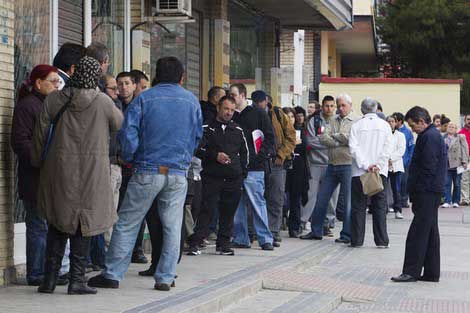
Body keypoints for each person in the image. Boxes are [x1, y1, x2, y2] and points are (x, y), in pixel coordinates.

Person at [88, 56, 202, 291]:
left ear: (156, 75)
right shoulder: (191, 102)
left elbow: (128, 134)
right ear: (182, 77)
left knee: (128, 221)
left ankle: (112, 274)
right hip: (178, 172)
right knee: (172, 225)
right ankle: (165, 277)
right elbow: (196, 136)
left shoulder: (145, 99)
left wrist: (130, 157)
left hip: (147, 169)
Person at [31, 57, 123, 295]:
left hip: (58, 168)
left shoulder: (55, 98)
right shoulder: (103, 101)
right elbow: (118, 123)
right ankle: (77, 281)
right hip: (92, 172)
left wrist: (37, 160)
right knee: (84, 223)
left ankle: (49, 280)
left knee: (57, 219)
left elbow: (40, 132)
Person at [11, 65, 61, 286]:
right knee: (37, 226)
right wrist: (41, 160)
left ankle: (47, 271)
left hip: (49, 176)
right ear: (39, 83)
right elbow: (20, 142)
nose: (57, 85)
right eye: (53, 81)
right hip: (34, 176)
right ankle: (36, 273)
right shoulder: (27, 106)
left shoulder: (50, 105)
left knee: (48, 226)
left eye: (58, 82)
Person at [187, 95, 248, 256]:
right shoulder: (207, 127)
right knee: (207, 210)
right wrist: (215, 155)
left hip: (233, 179)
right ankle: (196, 242)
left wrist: (242, 173)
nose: (229, 113)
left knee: (228, 213)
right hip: (211, 177)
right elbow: (197, 148)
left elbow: (245, 153)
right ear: (218, 108)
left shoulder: (238, 130)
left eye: (232, 110)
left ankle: (223, 244)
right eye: (226, 109)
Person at [392, 106, 447, 283]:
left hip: (427, 191)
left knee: (417, 233)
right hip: (431, 190)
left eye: (412, 125)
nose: (412, 129)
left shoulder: (429, 137)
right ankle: (431, 272)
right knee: (430, 232)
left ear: (422, 121)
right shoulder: (430, 135)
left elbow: (428, 168)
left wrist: (417, 192)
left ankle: (411, 271)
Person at [300, 94, 356, 244]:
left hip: (347, 164)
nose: (340, 108)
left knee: (348, 202)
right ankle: (316, 230)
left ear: (350, 105)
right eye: (339, 105)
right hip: (332, 164)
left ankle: (347, 234)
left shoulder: (355, 122)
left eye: (343, 105)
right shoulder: (331, 120)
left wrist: (335, 137)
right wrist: (339, 140)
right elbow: (323, 137)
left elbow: (350, 139)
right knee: (321, 198)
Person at [230, 83, 276, 251]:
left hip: (254, 168)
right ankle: (241, 238)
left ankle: (265, 238)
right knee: (237, 204)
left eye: (233, 94)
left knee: (257, 203)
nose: (231, 98)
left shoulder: (258, 113)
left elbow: (270, 138)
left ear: (243, 95)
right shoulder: (231, 115)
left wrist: (258, 158)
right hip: (236, 168)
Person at [252, 90, 296, 247]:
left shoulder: (277, 114)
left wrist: (281, 155)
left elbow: (291, 137)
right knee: (256, 198)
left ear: (266, 102)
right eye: (255, 104)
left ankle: (273, 231)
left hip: (277, 163)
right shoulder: (251, 114)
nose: (258, 106)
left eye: (260, 103)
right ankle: (255, 231)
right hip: (258, 163)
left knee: (276, 198)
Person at [349, 98, 393, 248]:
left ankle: (356, 240)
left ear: (362, 110)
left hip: (359, 172)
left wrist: (365, 165)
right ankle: (381, 240)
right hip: (380, 172)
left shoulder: (356, 125)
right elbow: (388, 148)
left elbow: (353, 148)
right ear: (376, 109)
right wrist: (378, 165)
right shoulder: (385, 125)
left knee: (358, 206)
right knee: (380, 206)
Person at [301, 96, 338, 237]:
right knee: (311, 195)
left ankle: (327, 224)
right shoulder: (314, 121)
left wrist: (324, 141)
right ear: (322, 107)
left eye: (331, 106)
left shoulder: (338, 121)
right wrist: (330, 142)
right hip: (315, 164)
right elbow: (310, 141)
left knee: (331, 198)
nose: (329, 109)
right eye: (326, 106)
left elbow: (342, 140)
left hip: (333, 163)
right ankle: (303, 221)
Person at [282, 107, 309, 238]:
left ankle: (294, 226)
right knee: (283, 198)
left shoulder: (300, 131)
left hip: (298, 168)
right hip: (283, 167)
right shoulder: (280, 132)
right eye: (287, 116)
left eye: (292, 116)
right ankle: (281, 220)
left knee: (295, 198)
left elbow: (305, 148)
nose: (290, 119)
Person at [442, 122, 468, 208]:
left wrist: (465, 161)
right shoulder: (442, 137)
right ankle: (447, 201)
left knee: (457, 183)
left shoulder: (460, 137)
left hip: (457, 164)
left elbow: (465, 149)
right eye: (449, 126)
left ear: (456, 129)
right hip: (446, 164)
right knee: (447, 183)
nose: (451, 128)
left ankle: (456, 201)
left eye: (453, 127)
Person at [386, 115, 406, 219]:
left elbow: (401, 150)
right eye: (388, 121)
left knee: (396, 188)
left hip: (396, 165)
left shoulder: (401, 135)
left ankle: (398, 210)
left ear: (396, 123)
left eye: (392, 121)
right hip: (384, 165)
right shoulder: (383, 135)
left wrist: (391, 159)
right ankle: (383, 209)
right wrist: (386, 159)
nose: (390, 123)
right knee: (382, 188)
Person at [393, 112, 415, 208]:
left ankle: (404, 200)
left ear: (399, 121)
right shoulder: (392, 131)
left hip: (405, 161)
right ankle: (396, 200)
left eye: (395, 121)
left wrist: (409, 160)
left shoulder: (407, 132)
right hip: (394, 161)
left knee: (404, 182)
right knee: (395, 182)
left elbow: (411, 147)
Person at [459, 115, 470, 205]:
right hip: (465, 158)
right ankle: (465, 199)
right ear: (465, 121)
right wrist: (463, 159)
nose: (469, 121)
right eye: (468, 119)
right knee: (465, 180)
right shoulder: (460, 133)